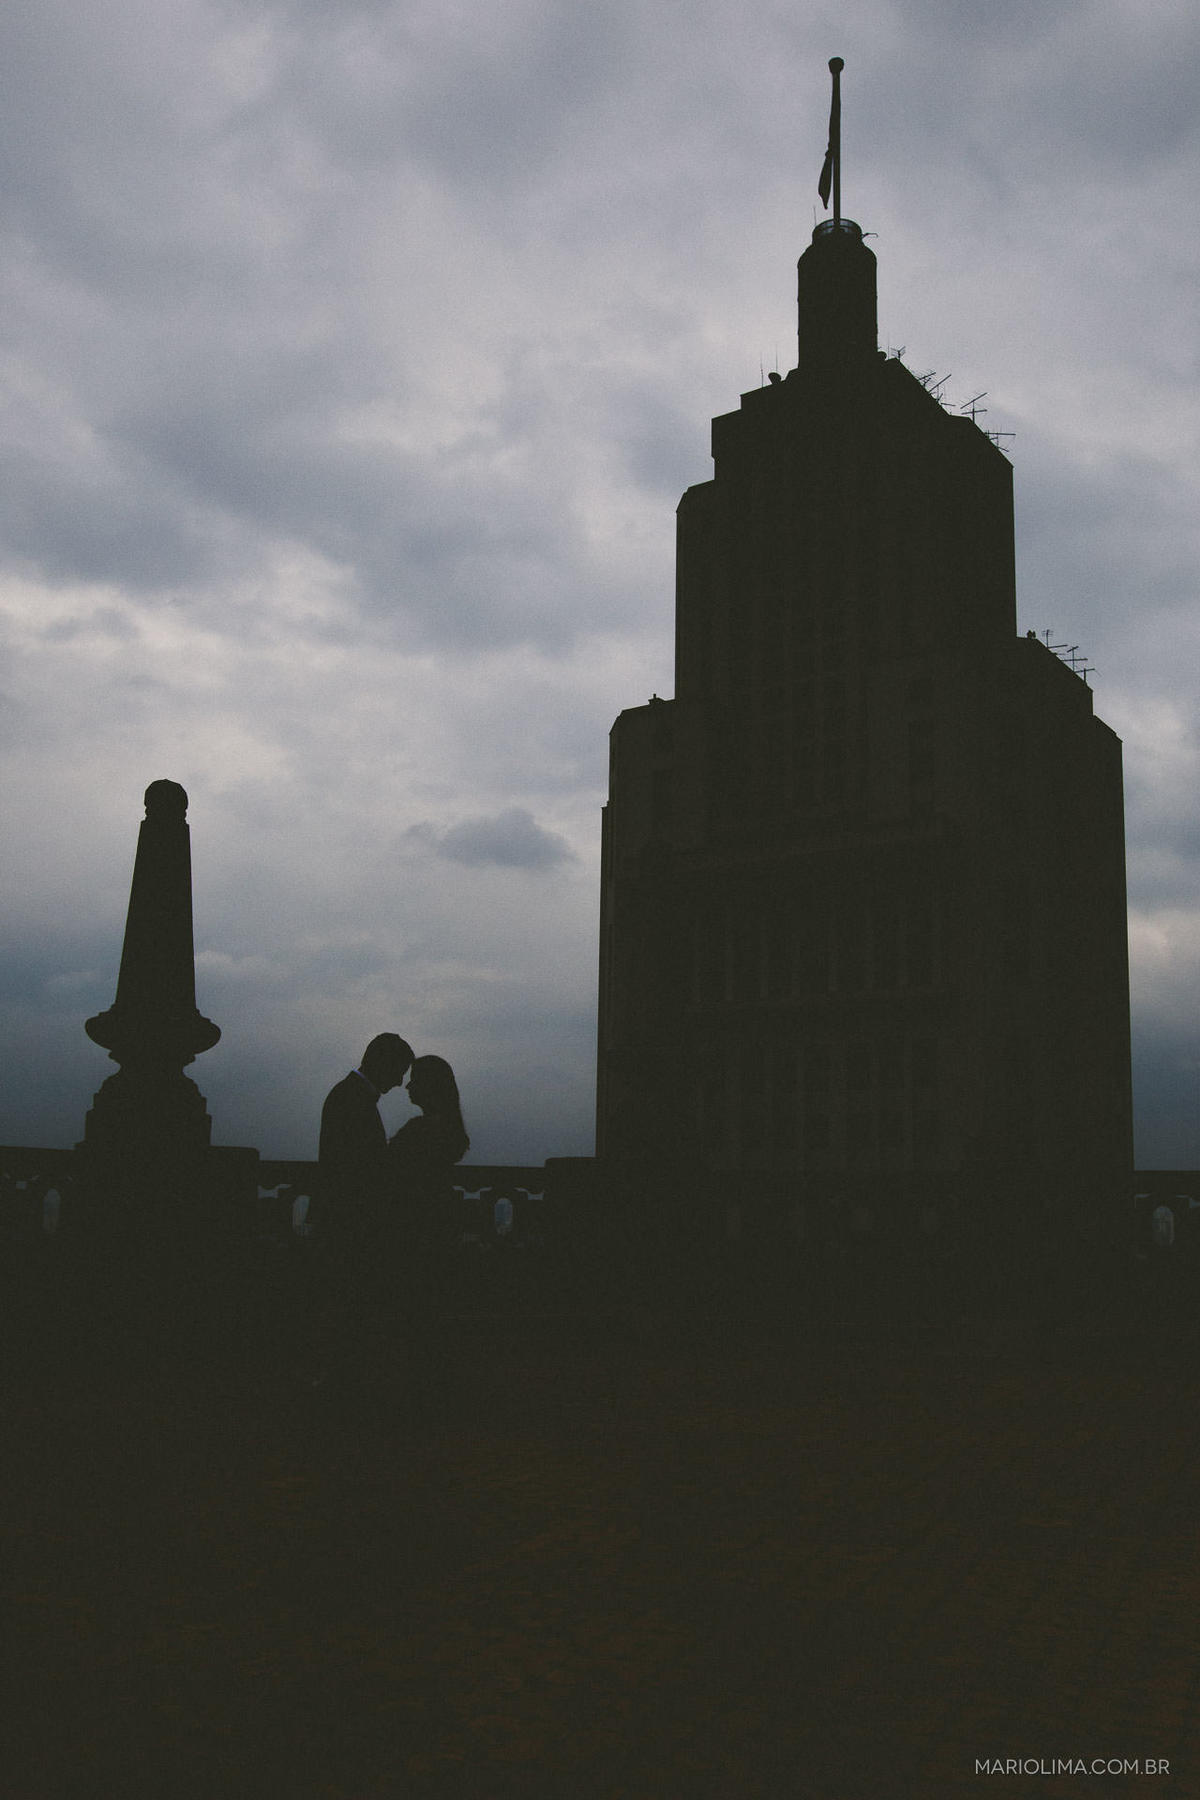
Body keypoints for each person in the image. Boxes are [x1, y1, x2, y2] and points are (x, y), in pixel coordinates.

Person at [389, 1055, 469, 1274]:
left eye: (415, 1079)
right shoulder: (446, 1129)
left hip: (415, 1226)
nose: (408, 1085)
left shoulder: (421, 1131)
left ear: (430, 1085)